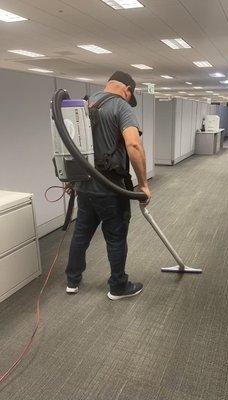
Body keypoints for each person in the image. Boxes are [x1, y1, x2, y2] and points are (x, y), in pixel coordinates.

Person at [65, 71, 151, 300]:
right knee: (115, 236)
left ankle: (72, 281)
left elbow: (68, 142)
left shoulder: (84, 103)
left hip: (84, 184)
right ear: (127, 89)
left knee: (81, 234)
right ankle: (118, 286)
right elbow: (133, 144)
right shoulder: (122, 107)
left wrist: (70, 179)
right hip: (111, 188)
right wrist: (143, 185)